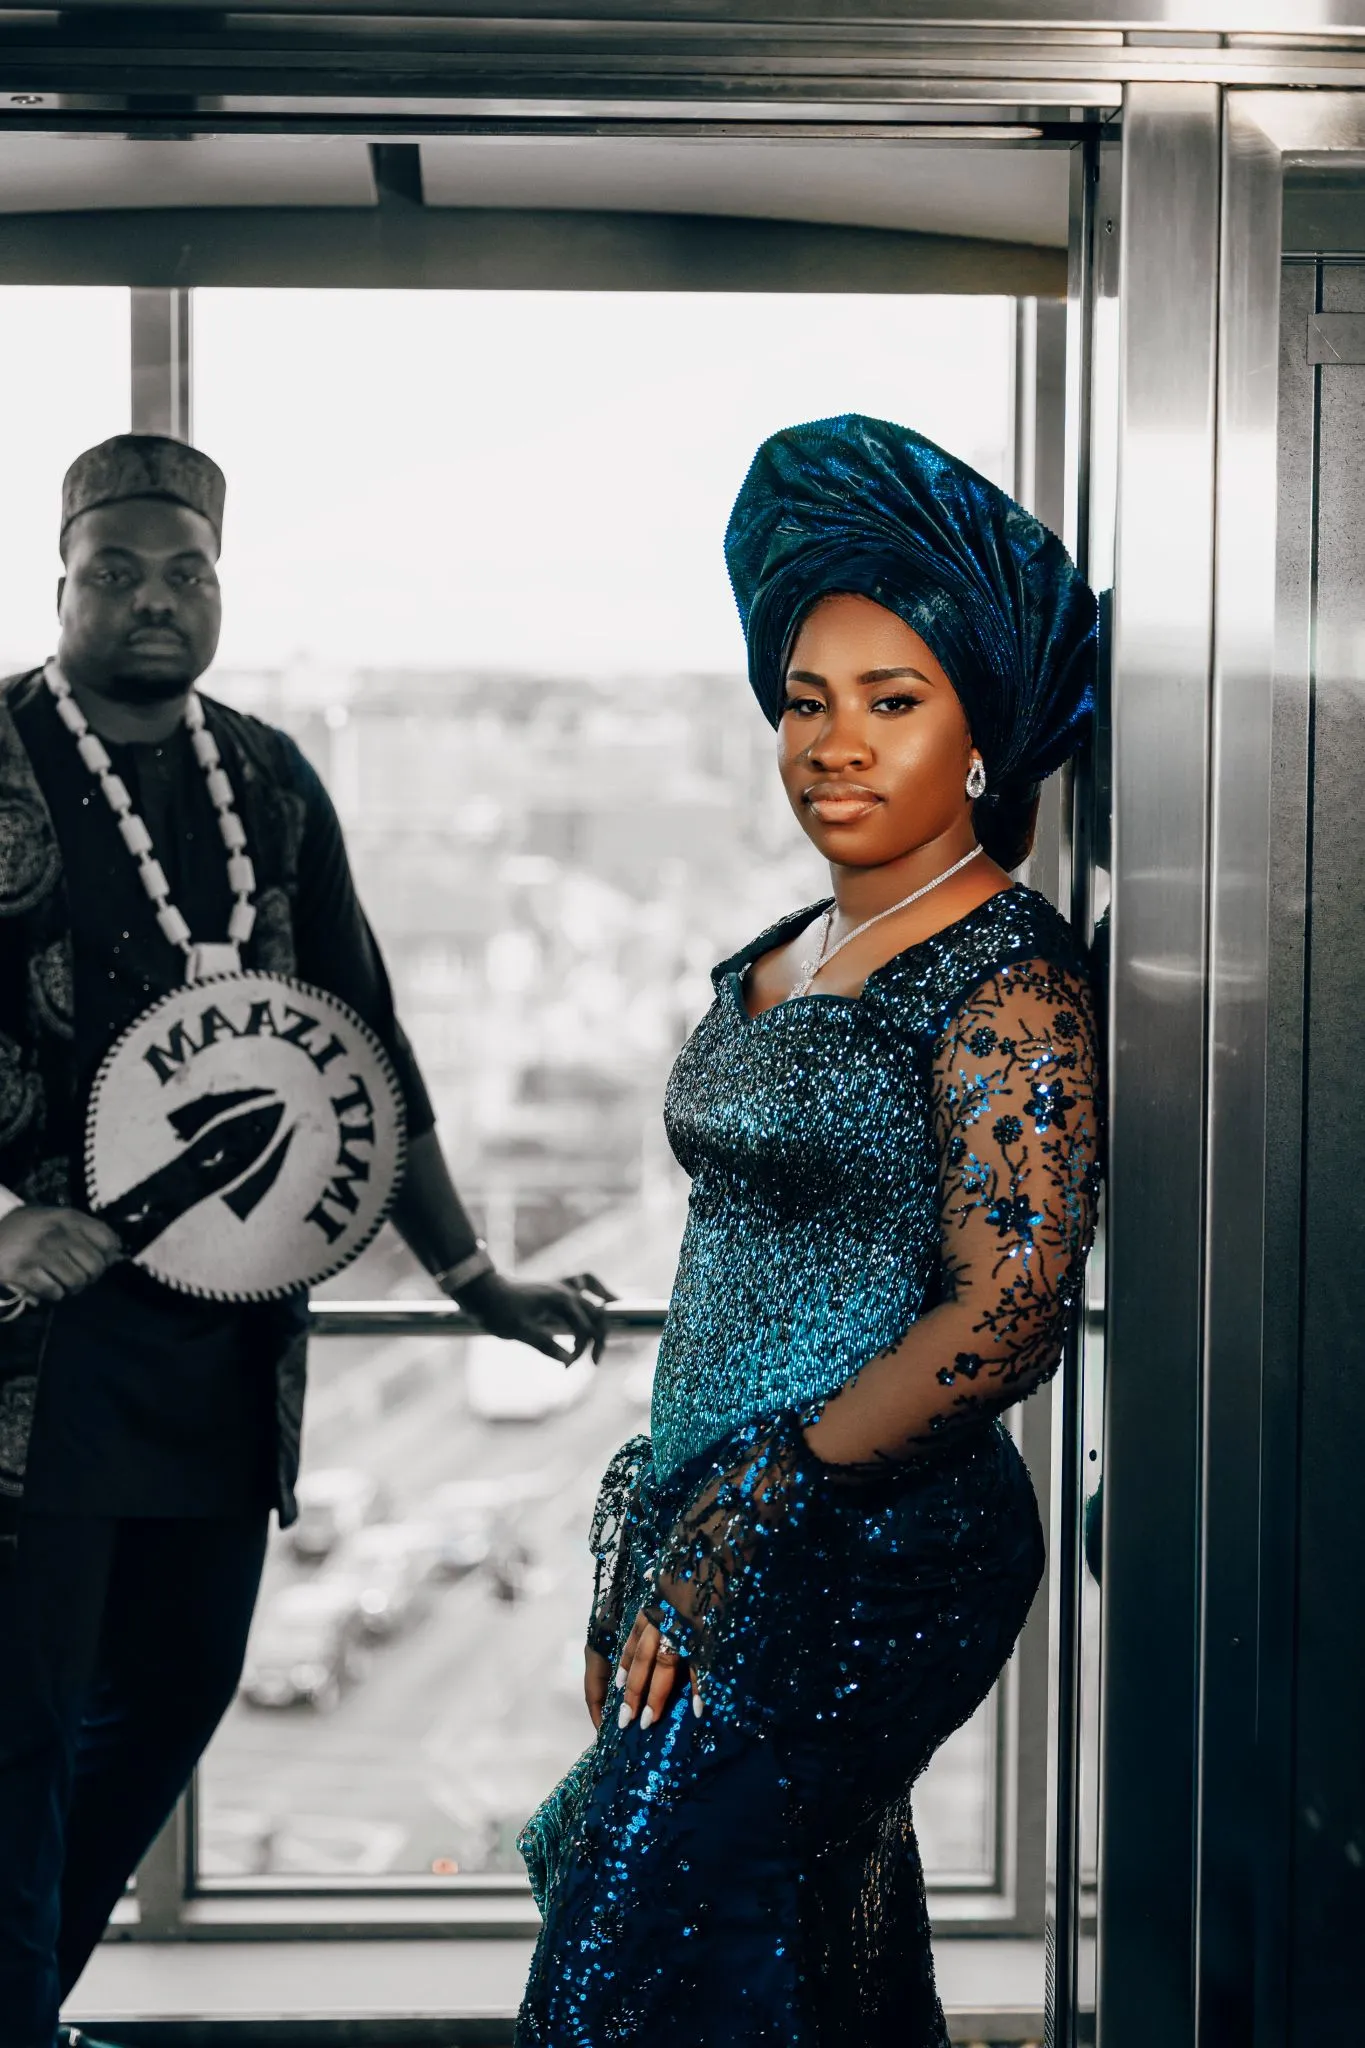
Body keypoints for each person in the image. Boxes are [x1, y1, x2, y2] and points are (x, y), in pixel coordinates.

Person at [0, 433, 609, 2048]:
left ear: (221, 584)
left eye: (184, 571)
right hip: (32, 1367)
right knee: (19, 1735)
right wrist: (0, 1221)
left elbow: (364, 1043)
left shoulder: (267, 777)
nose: (151, 600)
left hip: (224, 1347)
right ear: (58, 577)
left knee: (175, 1701)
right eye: (114, 570)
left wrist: (474, 1274)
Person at [516, 414, 1102, 2047]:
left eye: (892, 704)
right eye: (806, 701)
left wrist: (754, 1503)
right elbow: (735, 1276)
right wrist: (661, 1513)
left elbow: (1010, 1314)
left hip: (877, 1550)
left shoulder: (1008, 976)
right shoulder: (789, 939)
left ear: (979, 737)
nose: (835, 746)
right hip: (725, 1517)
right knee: (798, 1954)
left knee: (628, 1979)